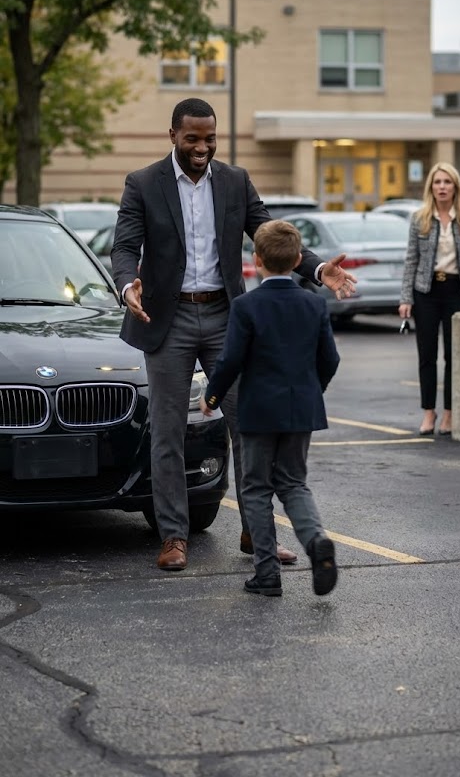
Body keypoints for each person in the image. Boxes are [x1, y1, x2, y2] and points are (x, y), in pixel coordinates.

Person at [111, 97, 356, 571]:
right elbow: (125, 246)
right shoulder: (143, 183)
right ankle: (174, 536)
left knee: (249, 427)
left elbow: (267, 231)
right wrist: (127, 286)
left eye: (210, 138)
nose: (203, 147)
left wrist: (317, 267)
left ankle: (255, 532)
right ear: (173, 137)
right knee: (167, 432)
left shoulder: (235, 181)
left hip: (227, 317)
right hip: (167, 320)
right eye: (193, 138)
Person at [200, 219, 340, 597]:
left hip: (258, 412)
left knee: (257, 488)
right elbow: (330, 358)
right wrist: (313, 391)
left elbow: (230, 360)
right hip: (301, 409)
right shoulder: (313, 303)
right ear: (298, 259)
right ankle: (315, 542)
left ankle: (267, 573)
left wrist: (212, 397)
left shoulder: (246, 306)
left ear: (256, 259)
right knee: (294, 483)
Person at [398, 162, 460, 437]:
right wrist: (406, 298)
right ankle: (429, 412)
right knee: (427, 355)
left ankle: (449, 413)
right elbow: (411, 260)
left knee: (454, 355)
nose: (441, 187)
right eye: (437, 182)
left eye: (447, 182)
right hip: (426, 292)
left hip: (457, 292)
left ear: (455, 187)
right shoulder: (420, 218)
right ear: (431, 187)